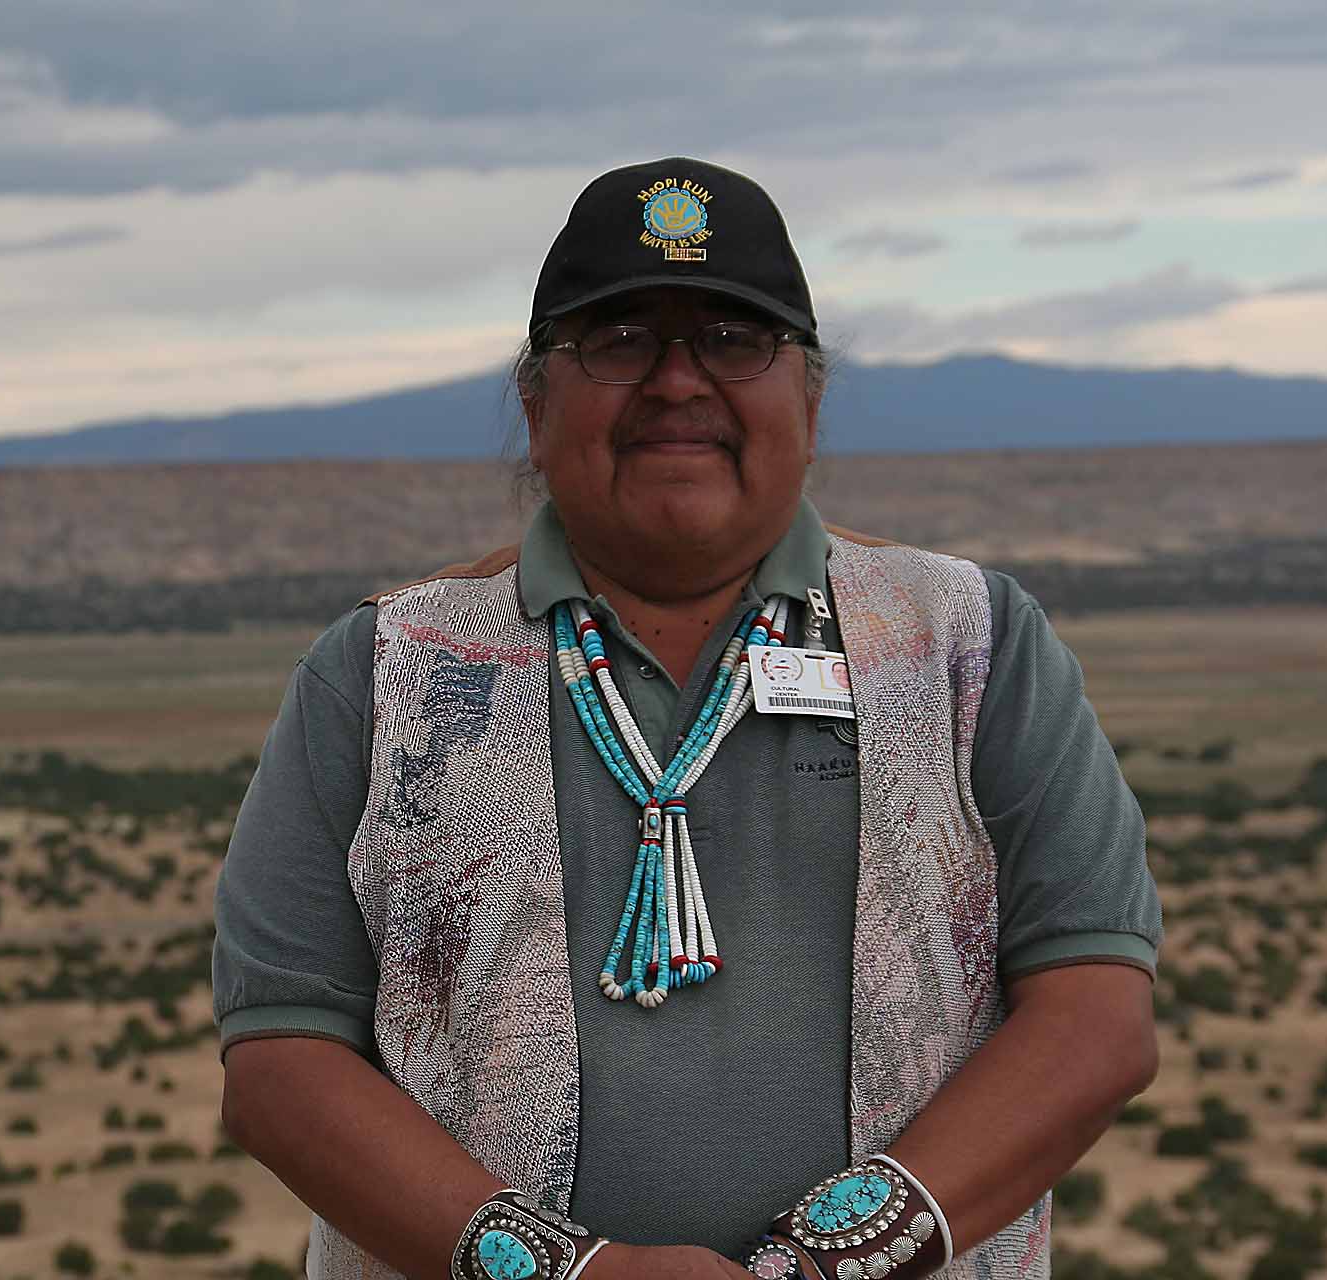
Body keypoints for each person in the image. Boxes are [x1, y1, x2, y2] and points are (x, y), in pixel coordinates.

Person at [213, 157, 1162, 1280]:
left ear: (809, 400)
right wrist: (566, 1273)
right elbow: (279, 1061)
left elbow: (1097, 1016)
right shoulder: (383, 670)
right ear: (534, 403)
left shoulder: (970, 642)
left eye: (731, 338)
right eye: (618, 341)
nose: (676, 382)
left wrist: (825, 1264)